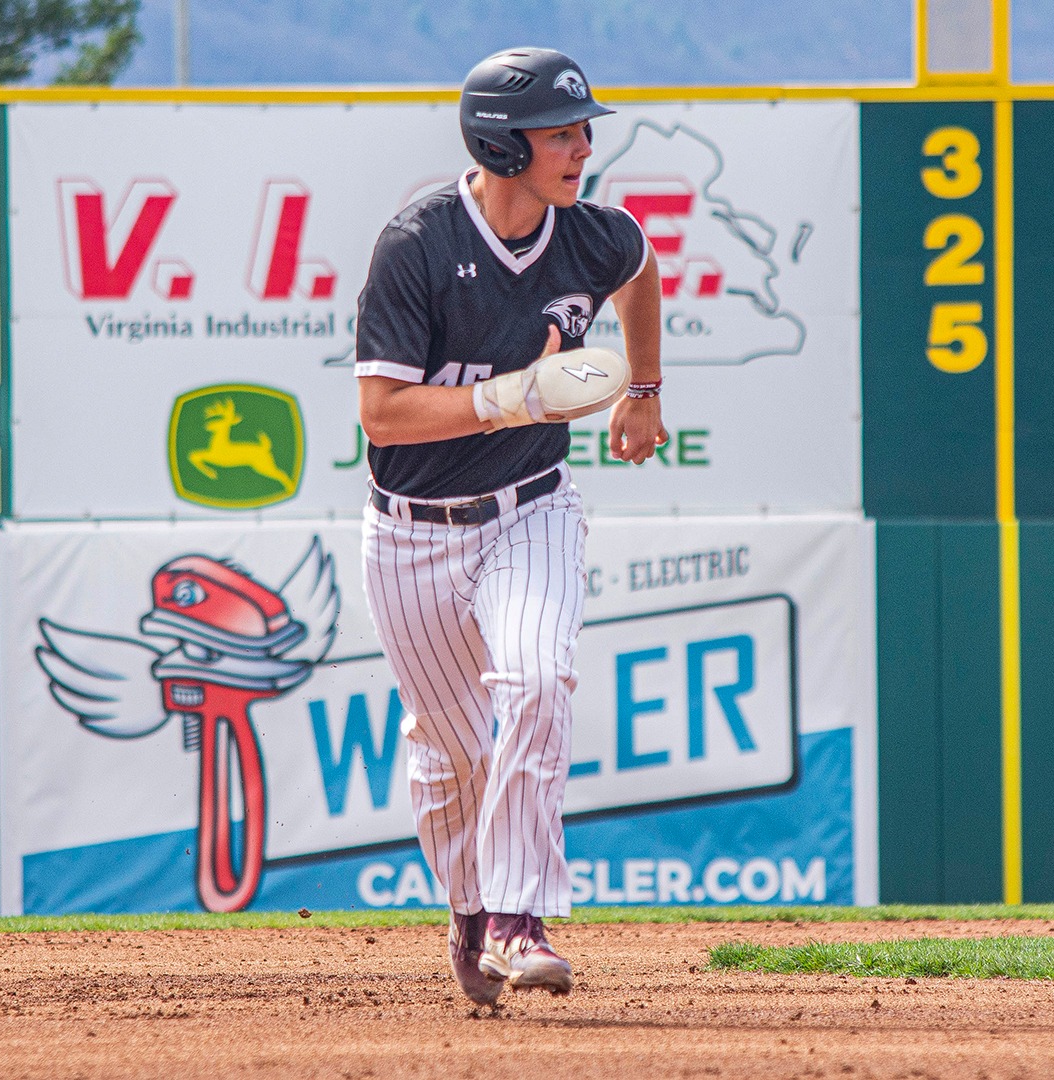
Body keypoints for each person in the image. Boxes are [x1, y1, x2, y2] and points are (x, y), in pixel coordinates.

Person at [353, 46, 664, 1004]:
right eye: (562, 133)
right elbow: (383, 414)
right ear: (498, 141)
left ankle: (518, 916)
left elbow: (642, 267)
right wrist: (513, 396)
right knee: (450, 751)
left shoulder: (591, 234)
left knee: (536, 677)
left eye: (582, 130)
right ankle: (472, 906)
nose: (581, 147)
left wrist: (644, 386)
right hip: (409, 530)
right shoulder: (416, 244)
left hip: (530, 509)